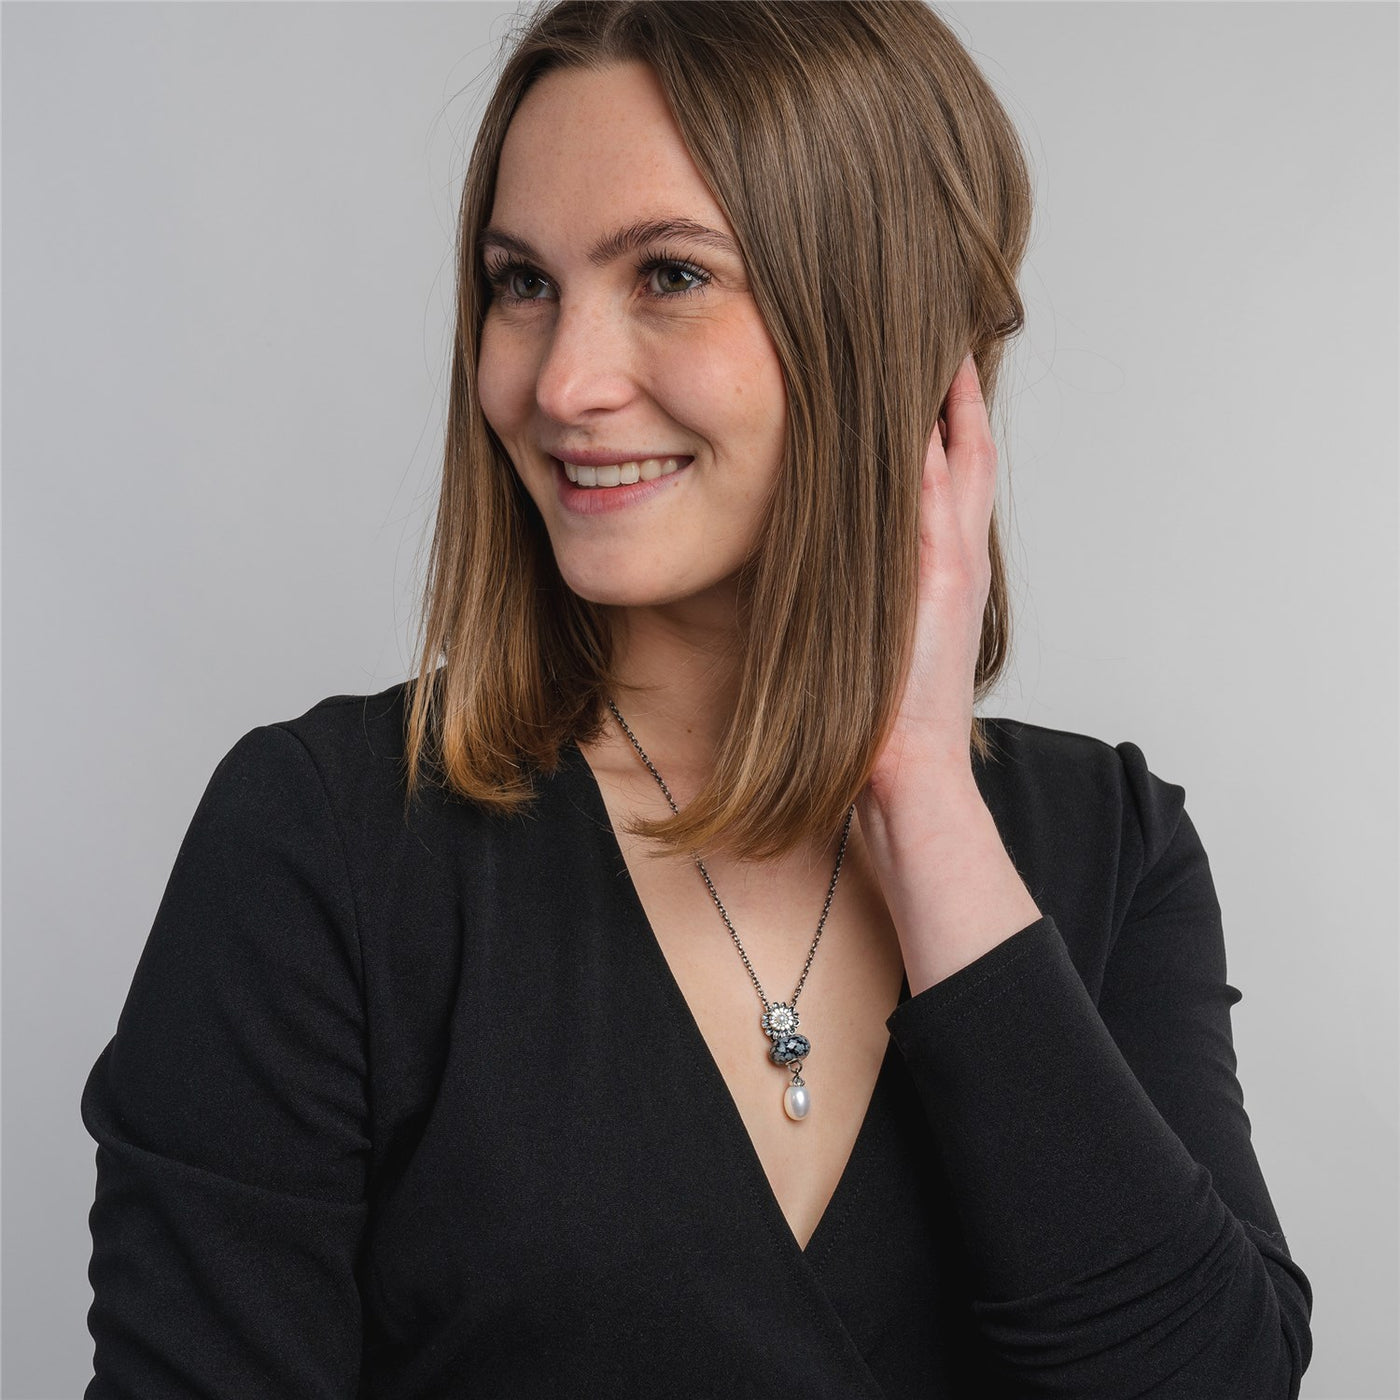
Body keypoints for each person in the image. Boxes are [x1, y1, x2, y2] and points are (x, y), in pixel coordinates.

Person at [81, 1, 1314, 1395]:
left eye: (669, 273)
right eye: (521, 283)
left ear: (884, 322)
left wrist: (921, 798)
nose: (561, 382)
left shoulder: (1113, 846)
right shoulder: (329, 842)